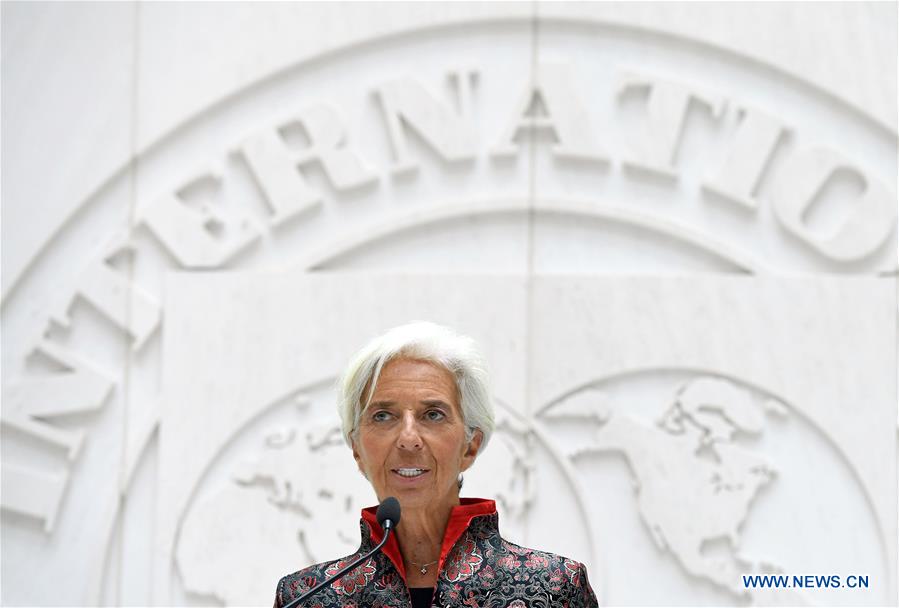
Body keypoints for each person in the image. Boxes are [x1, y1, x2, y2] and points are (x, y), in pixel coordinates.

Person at [273, 321, 599, 607]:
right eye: (383, 416)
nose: (408, 438)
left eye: (433, 415)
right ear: (357, 449)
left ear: (470, 446)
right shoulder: (308, 597)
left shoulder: (552, 589)